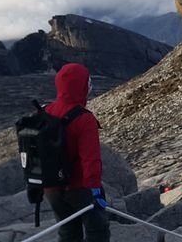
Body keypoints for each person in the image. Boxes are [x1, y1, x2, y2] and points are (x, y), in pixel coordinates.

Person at [43, 63, 110, 242]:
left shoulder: (46, 111)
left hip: (51, 187)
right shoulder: (84, 118)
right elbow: (91, 159)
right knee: (98, 231)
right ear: (81, 86)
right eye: (87, 83)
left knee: (68, 233)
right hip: (80, 186)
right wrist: (95, 190)